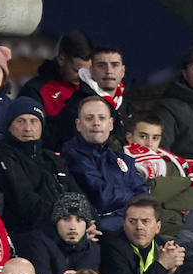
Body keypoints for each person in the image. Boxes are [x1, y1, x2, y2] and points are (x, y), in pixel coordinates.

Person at [0, 98, 76, 248]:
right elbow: (26, 202)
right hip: (26, 234)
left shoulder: (51, 158)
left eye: (34, 121)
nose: (28, 128)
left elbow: (76, 192)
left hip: (64, 228)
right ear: (9, 126)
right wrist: (64, 221)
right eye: (21, 121)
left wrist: (87, 220)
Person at [63, 96, 147, 231]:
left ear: (111, 124)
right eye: (89, 118)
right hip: (103, 230)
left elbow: (144, 193)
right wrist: (132, 197)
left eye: (101, 118)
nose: (96, 123)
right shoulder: (72, 155)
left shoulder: (119, 158)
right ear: (79, 125)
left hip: (130, 224)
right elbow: (103, 197)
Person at [120, 111, 193, 239]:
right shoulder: (121, 162)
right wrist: (185, 182)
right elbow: (145, 195)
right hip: (147, 234)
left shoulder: (171, 163)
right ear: (129, 137)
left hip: (183, 231)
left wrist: (165, 201)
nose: (149, 143)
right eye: (143, 136)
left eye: (155, 138)